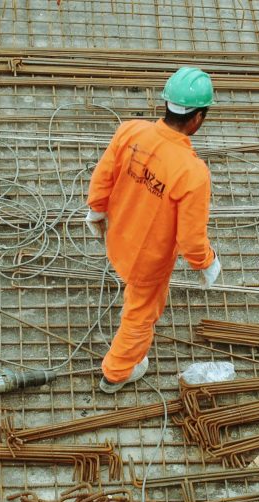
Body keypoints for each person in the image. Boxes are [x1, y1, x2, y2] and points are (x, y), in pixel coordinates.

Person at [85, 67, 222, 394]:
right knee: (140, 315)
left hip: (117, 237)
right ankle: (116, 373)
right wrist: (207, 262)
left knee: (134, 294)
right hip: (147, 260)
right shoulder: (193, 173)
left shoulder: (131, 132)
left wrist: (96, 210)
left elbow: (103, 175)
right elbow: (190, 239)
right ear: (197, 119)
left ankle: (120, 364)